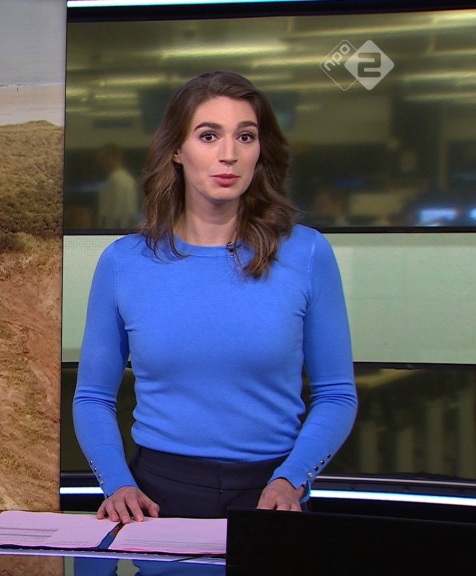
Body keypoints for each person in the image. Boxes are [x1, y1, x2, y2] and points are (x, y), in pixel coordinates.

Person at [72, 71, 358, 523]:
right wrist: (117, 483)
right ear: (176, 150)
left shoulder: (307, 253)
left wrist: (293, 479)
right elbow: (92, 397)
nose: (229, 154)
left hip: (273, 493)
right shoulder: (123, 263)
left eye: (245, 136)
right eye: (209, 136)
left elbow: (337, 394)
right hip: (157, 497)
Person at [95, 143, 140, 229]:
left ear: (112, 157)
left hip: (114, 229)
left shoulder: (117, 180)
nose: (100, 163)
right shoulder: (126, 179)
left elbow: (116, 214)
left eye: (102, 159)